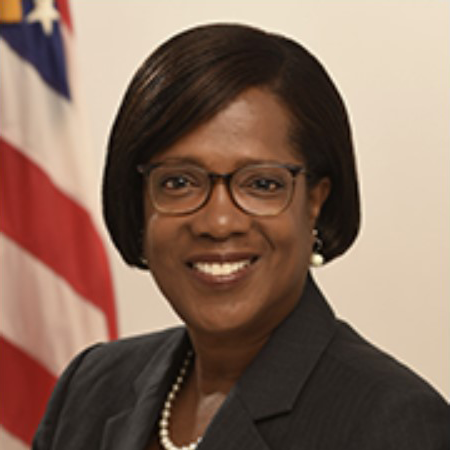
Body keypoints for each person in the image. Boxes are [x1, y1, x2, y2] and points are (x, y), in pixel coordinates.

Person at [33, 23, 449, 450]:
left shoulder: (393, 423)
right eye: (179, 182)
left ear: (315, 201)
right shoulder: (90, 387)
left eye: (262, 184)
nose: (218, 222)